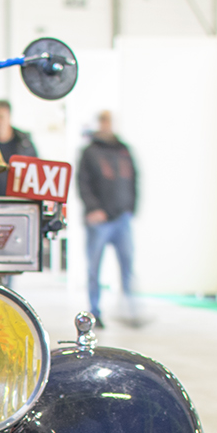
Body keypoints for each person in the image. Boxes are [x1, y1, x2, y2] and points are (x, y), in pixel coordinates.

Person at [76, 110, 138, 327]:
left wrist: (131, 208)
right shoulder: (89, 152)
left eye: (109, 121)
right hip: (99, 220)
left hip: (122, 217)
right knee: (94, 268)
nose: (106, 125)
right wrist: (93, 208)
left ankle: (131, 311)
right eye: (102, 121)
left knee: (128, 266)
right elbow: (83, 183)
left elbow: (134, 179)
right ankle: (94, 312)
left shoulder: (124, 150)